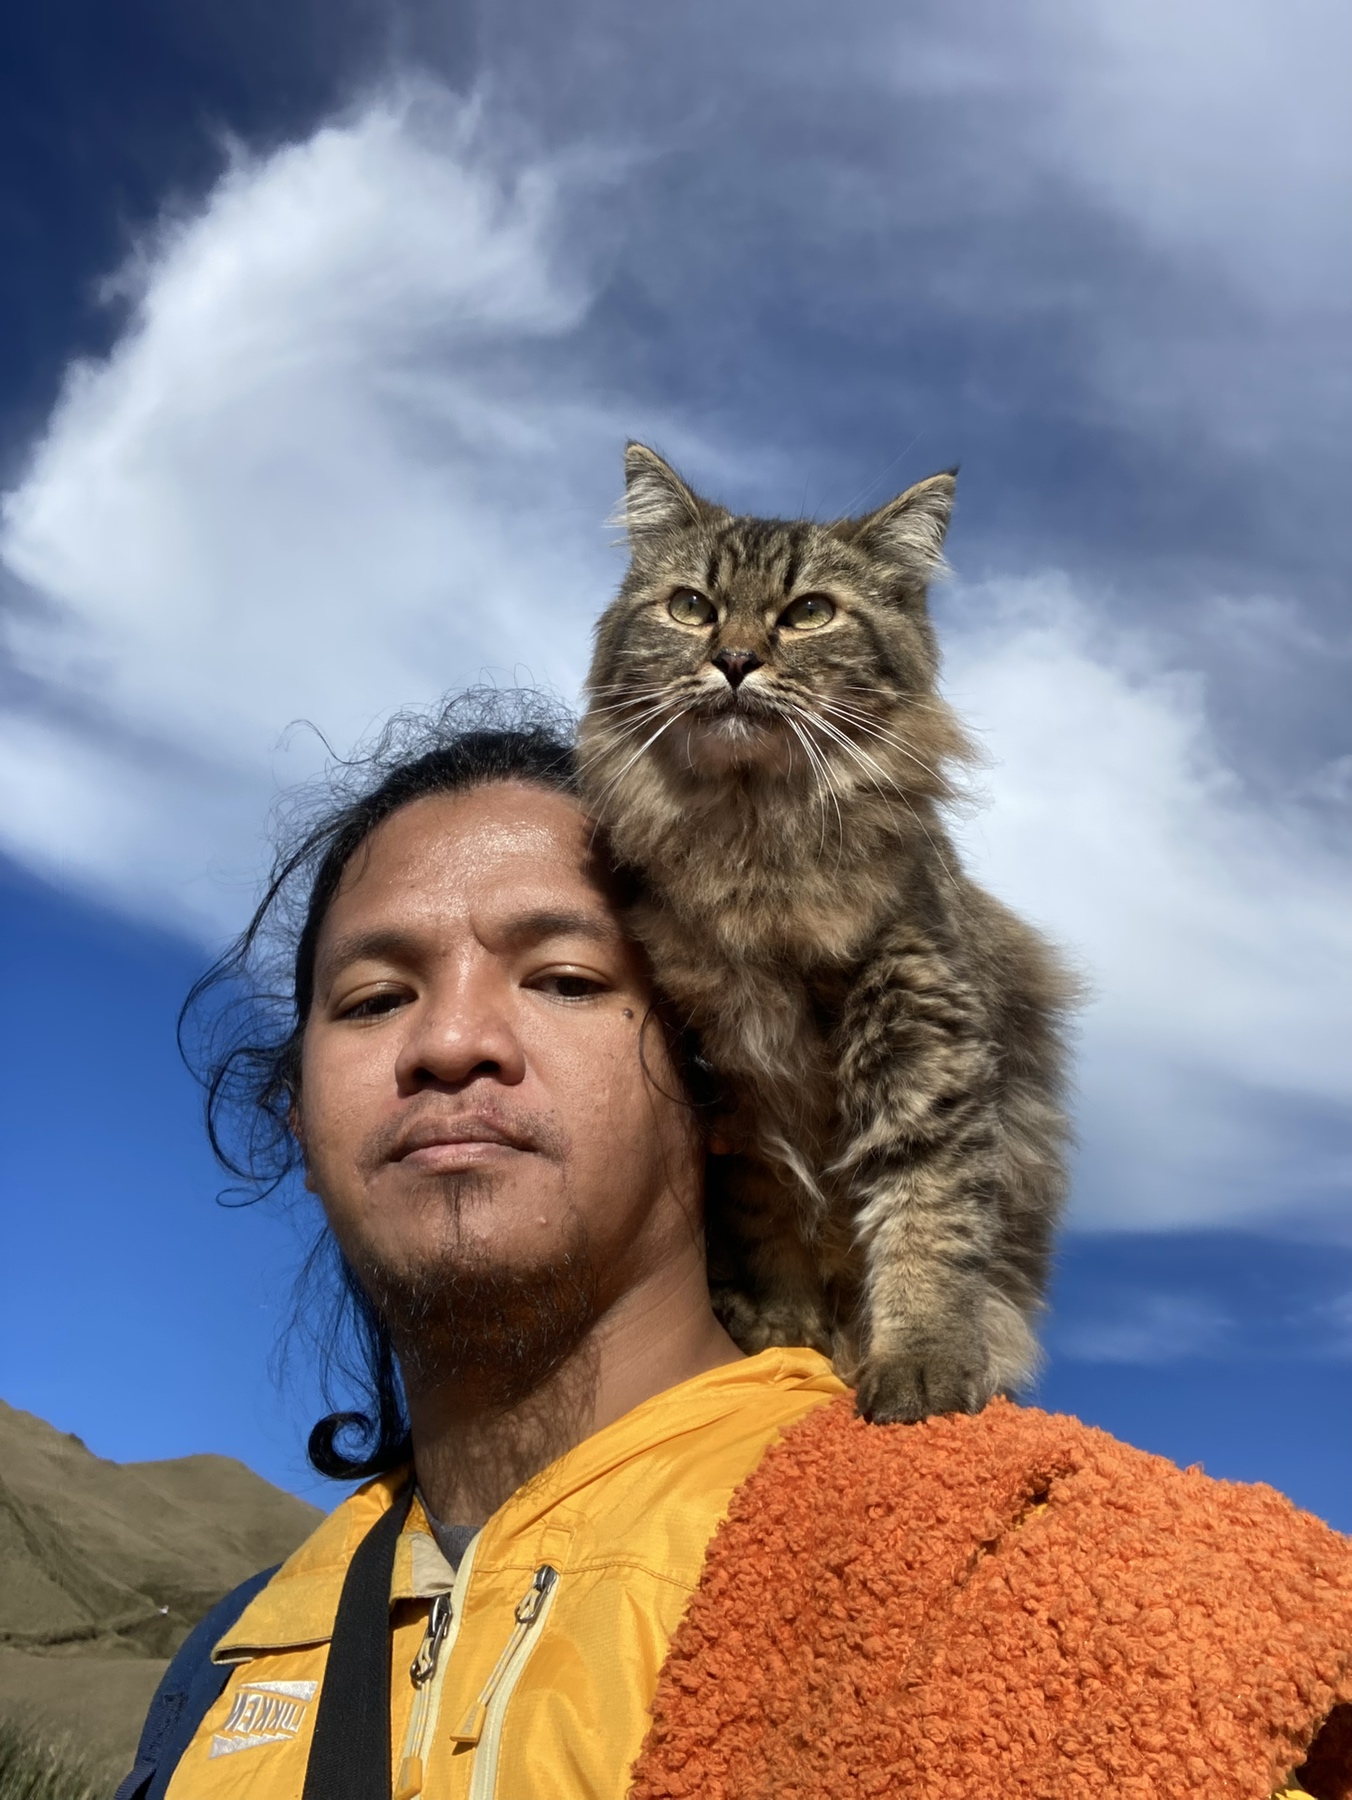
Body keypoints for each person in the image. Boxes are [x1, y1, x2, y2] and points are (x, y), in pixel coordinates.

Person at [121, 698, 1349, 1800]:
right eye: (373, 998)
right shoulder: (225, 1672)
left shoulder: (1031, 1576)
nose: (449, 1042)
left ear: (725, 1082)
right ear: (299, 1115)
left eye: (561, 977)